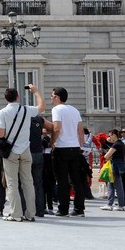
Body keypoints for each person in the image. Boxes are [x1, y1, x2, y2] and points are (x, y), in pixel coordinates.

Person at [0, 86, 46, 223]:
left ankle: (16, 214)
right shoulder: (26, 110)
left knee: (12, 183)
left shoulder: (2, 113)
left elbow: (1, 133)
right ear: (18, 97)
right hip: (25, 150)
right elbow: (42, 107)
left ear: (5, 98)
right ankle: (30, 213)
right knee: (28, 182)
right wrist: (35, 92)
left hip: (11, 151)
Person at [49, 87, 86, 217]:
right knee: (76, 180)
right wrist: (80, 146)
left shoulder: (56, 110)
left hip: (61, 148)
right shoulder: (75, 110)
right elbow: (80, 130)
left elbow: (57, 128)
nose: (51, 98)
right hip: (75, 147)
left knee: (62, 180)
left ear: (57, 97)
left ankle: (63, 208)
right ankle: (79, 208)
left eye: (52, 95)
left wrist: (52, 142)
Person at [28, 114, 50, 218]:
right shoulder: (39, 118)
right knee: (38, 184)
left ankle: (26, 209)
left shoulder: (21, 116)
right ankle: (40, 210)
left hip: (26, 152)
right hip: (38, 152)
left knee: (24, 183)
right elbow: (53, 128)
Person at [100, 129, 125, 211]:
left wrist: (106, 155)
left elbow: (106, 156)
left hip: (116, 166)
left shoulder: (116, 145)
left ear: (114, 135)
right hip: (118, 165)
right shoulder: (120, 143)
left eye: (110, 135)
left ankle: (120, 205)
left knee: (118, 186)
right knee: (111, 185)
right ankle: (110, 203)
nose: (109, 137)